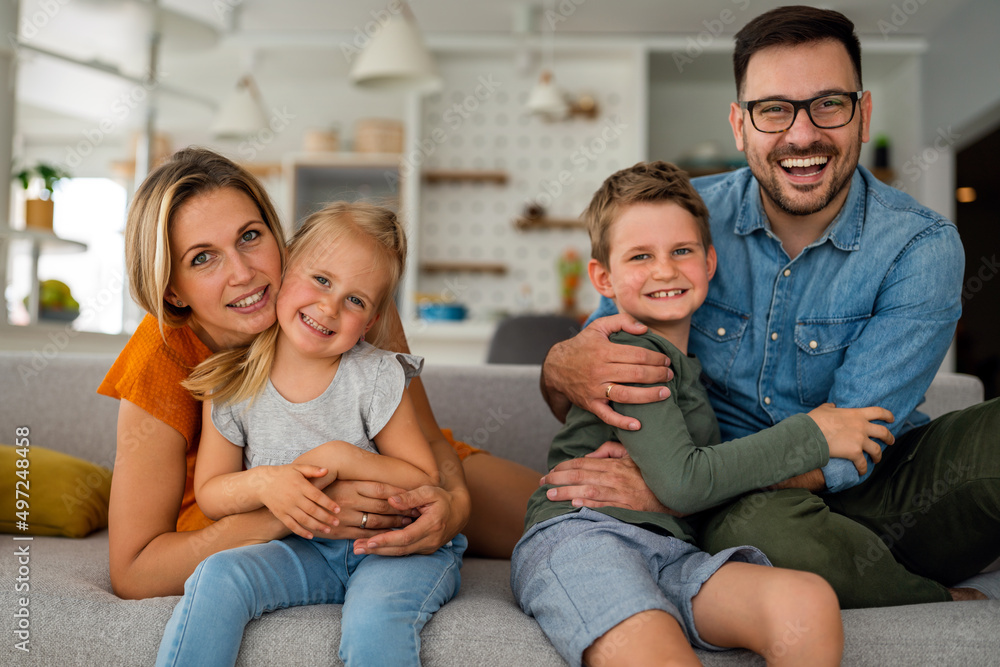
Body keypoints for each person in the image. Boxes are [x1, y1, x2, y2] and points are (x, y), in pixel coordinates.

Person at [539, 6, 1000, 608]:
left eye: (828, 104)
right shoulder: (677, 225)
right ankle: (931, 598)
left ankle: (859, 565)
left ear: (863, 115)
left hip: (882, 492)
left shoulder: (922, 246)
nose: (802, 135)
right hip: (747, 509)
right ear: (739, 124)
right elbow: (608, 375)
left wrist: (678, 492)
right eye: (773, 109)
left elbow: (855, 442)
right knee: (760, 531)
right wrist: (558, 365)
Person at [97, 148, 534, 604]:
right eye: (203, 258)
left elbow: (429, 439)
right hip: (242, 506)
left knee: (573, 514)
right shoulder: (159, 354)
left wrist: (455, 507)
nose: (244, 273)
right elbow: (134, 572)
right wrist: (301, 509)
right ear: (172, 288)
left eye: (250, 236)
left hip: (393, 467)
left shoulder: (347, 295)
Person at [512, 161, 869, 667]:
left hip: (675, 550)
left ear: (709, 262)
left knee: (805, 603)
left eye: (681, 251)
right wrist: (815, 434)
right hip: (585, 538)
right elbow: (684, 483)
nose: (664, 269)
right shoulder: (623, 352)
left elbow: (681, 486)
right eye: (640, 256)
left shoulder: (687, 366)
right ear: (603, 278)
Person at [156, 202, 465, 666]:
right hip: (303, 552)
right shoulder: (230, 382)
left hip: (394, 547)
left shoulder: (379, 375)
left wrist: (342, 456)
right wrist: (266, 481)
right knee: (218, 574)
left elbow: (423, 478)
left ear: (373, 319)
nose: (329, 307)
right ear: (285, 267)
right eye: (321, 280)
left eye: (355, 300)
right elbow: (212, 494)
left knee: (375, 618)